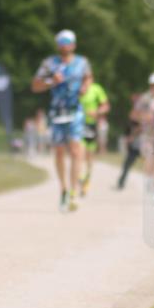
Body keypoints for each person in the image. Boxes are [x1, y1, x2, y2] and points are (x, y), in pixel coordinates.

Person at [31, 30, 91, 212]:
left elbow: (88, 77)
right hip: (56, 113)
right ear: (58, 45)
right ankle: (63, 189)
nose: (65, 45)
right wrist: (51, 81)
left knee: (75, 150)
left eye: (68, 42)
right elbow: (35, 86)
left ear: (74, 45)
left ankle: (73, 192)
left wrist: (85, 87)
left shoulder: (82, 62)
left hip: (75, 111)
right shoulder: (49, 64)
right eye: (62, 42)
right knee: (58, 152)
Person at [79, 72, 110, 195]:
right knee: (79, 152)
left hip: (91, 125)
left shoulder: (96, 89)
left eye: (88, 78)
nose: (86, 80)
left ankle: (87, 178)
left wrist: (97, 112)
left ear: (92, 79)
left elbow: (106, 106)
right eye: (84, 78)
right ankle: (79, 177)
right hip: (78, 125)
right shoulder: (76, 89)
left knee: (89, 155)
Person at [117, 93, 143, 190]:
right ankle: (122, 181)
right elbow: (128, 126)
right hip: (134, 142)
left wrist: (132, 136)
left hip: (141, 142)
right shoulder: (134, 112)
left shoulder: (141, 112)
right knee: (128, 162)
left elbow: (141, 127)